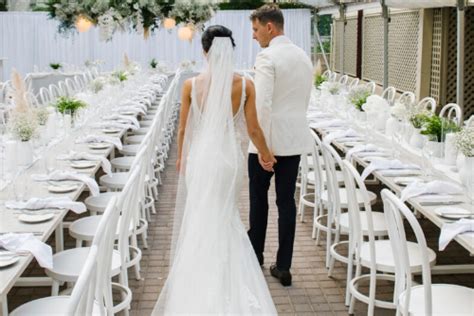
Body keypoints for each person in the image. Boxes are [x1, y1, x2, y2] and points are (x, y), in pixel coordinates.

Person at [152, 25, 277, 315]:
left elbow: (184, 128)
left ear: (205, 52)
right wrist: (267, 156)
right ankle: (226, 280)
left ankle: (200, 280)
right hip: (227, 159)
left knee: (201, 216)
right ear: (230, 49)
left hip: (201, 158)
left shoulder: (190, 85)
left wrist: (182, 158)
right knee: (225, 215)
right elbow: (254, 128)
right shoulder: (245, 85)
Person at [247, 4, 314, 287]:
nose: (254, 36)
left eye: (255, 29)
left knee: (258, 201)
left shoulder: (267, 57)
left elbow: (261, 105)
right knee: (287, 203)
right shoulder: (303, 57)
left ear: (269, 27)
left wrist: (263, 148)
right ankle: (284, 266)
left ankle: (255, 257)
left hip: (268, 142)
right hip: (293, 141)